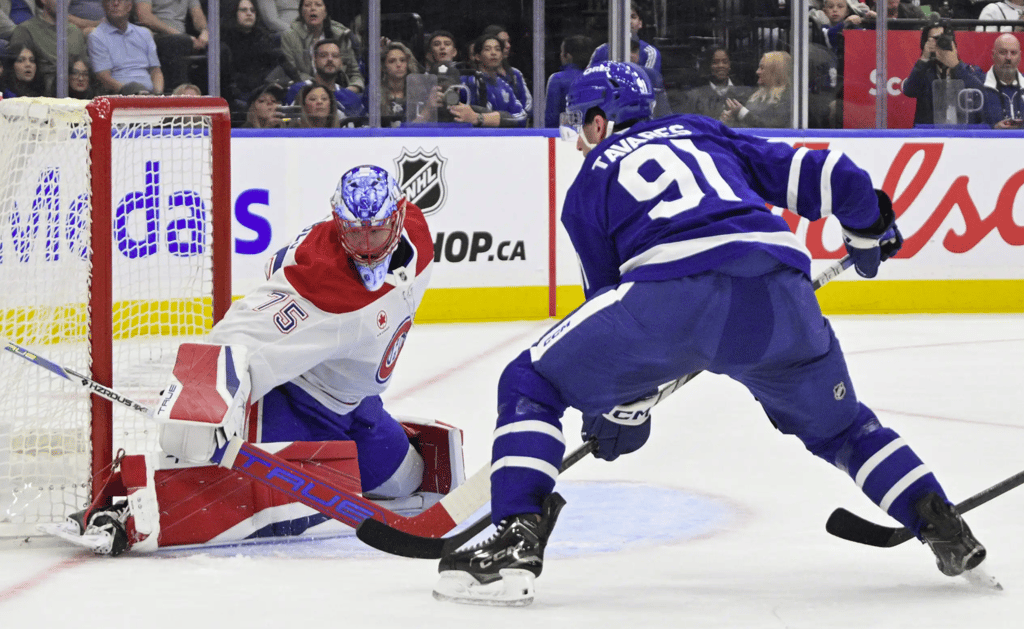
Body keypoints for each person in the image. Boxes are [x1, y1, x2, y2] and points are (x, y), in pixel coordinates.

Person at [433, 61, 988, 606]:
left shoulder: (588, 185)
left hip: (672, 298)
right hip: (780, 299)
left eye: (581, 123)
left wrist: (616, 413)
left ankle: (513, 538)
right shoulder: (704, 132)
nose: (579, 139)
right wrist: (867, 231)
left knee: (530, 380)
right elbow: (837, 176)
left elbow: (610, 314)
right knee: (845, 428)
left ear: (600, 122)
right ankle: (937, 518)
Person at [49, 164, 460, 555]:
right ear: (338, 223)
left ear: (400, 214)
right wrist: (199, 399)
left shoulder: (419, 235)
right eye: (355, 233)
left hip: (356, 405)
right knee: (247, 496)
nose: (367, 246)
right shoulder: (321, 285)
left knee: (408, 480)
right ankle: (121, 513)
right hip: (296, 404)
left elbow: (280, 258)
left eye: (377, 231)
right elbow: (241, 332)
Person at [903, 21, 985, 126]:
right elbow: (909, 91)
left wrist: (956, 66)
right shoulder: (924, 72)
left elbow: (981, 93)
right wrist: (924, 59)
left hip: (962, 135)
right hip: (930, 134)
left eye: (944, 39)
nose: (941, 43)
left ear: (954, 45)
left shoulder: (971, 71)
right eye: (936, 39)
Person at [8, 0, 89, 92]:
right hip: (38, 97)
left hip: (72, 96)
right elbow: (16, 77)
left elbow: (84, 72)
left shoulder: (76, 32)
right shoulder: (25, 30)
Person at [280, 0, 362, 91]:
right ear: (301, 12)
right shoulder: (289, 36)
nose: (313, 8)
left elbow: (354, 73)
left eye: (318, 5)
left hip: (339, 91)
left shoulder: (340, 35)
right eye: (307, 5)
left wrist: (351, 90)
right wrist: (321, 88)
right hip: (304, 90)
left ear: (326, 12)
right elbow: (292, 73)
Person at [87, 0, 164, 96]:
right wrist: (133, 92)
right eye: (110, 1)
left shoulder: (145, 33)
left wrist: (159, 94)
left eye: (120, 0)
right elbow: (103, 77)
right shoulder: (96, 36)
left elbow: (156, 72)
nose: (115, 3)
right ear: (104, 5)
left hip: (149, 95)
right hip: (121, 95)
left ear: (129, 6)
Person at [222, 0, 289, 108]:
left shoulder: (264, 38)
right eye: (243, 10)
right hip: (236, 93)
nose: (249, 13)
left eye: (252, 10)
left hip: (263, 90)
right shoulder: (224, 40)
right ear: (234, 13)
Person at [134, 0, 209, 92]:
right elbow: (144, 16)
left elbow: (197, 16)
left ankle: (220, 100)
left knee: (220, 50)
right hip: (155, 34)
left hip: (184, 38)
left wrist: (205, 31)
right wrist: (178, 34)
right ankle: (178, 97)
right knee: (177, 42)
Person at [460, 33, 528, 127]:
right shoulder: (465, 82)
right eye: (487, 49)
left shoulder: (504, 85)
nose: (493, 53)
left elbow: (522, 117)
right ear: (477, 56)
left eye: (497, 49)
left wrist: (483, 118)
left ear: (501, 55)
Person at [676, 47, 754, 120]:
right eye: (715, 62)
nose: (721, 66)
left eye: (725, 62)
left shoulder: (745, 93)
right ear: (708, 66)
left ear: (729, 65)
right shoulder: (694, 96)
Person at [720, 50, 793, 128]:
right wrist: (731, 121)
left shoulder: (787, 99)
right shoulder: (756, 95)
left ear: (775, 72)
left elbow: (772, 129)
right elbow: (748, 126)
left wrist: (742, 113)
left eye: (762, 68)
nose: (757, 72)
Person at [588, 2, 661, 77]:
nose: (628, 22)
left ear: (640, 23)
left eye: (633, 17)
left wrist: (635, 67)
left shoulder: (650, 53)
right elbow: (587, 80)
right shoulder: (600, 51)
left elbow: (649, 84)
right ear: (614, 22)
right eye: (623, 17)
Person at [482, 24, 532, 123]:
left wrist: (514, 119)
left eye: (508, 41)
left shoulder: (515, 74)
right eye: (502, 42)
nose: (508, 46)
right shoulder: (479, 77)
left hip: (516, 130)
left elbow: (528, 106)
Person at [545, 34, 594, 127]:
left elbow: (551, 119)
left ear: (568, 56)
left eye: (562, 52)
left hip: (565, 137)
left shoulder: (557, 80)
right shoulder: (597, 77)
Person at [980, 33, 1024, 128]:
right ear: (993, 55)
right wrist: (993, 129)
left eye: (1013, 53)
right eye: (1003, 52)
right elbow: (968, 127)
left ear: (1020, 56)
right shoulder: (980, 87)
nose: (1008, 58)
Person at [378, 40, 419, 124]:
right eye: (392, 61)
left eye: (402, 60)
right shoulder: (374, 92)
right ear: (384, 67)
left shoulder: (419, 91)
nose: (398, 65)